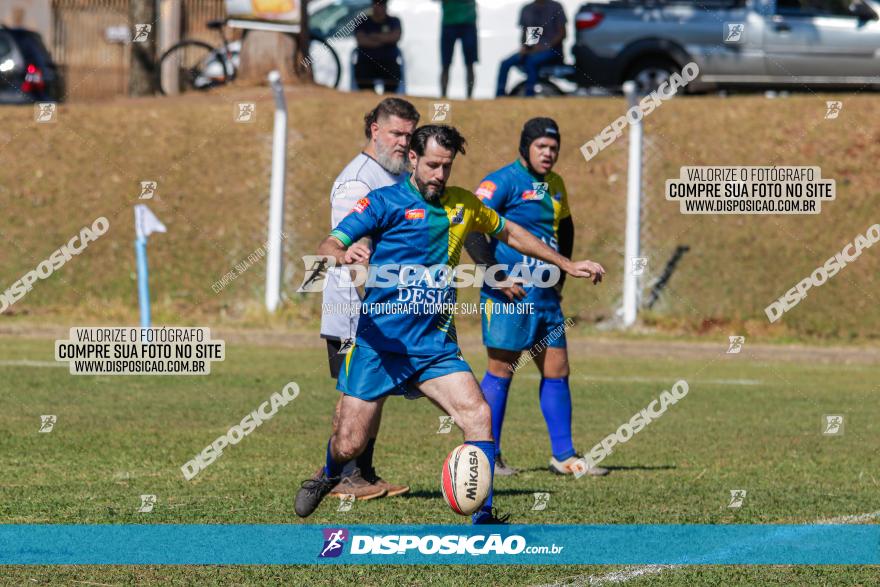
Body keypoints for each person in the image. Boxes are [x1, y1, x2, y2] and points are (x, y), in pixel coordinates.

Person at [295, 124, 605, 524]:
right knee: (349, 442)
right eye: (432, 165)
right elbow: (330, 242)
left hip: (435, 348)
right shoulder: (382, 202)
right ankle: (330, 473)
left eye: (447, 167)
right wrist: (340, 254)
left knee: (478, 414)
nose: (439, 175)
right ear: (412, 159)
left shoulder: (461, 205)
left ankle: (485, 516)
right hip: (379, 346)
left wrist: (566, 264)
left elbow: (510, 231)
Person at [465, 117, 609, 477]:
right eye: (541, 147)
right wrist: (494, 274)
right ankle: (489, 456)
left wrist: (562, 274)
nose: (548, 154)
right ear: (525, 147)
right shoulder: (501, 181)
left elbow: (566, 227)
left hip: (545, 296)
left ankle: (564, 456)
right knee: (501, 370)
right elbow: (470, 226)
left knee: (558, 369)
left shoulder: (555, 184)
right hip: (509, 295)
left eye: (554, 148)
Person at [320, 97, 420, 501]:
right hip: (352, 311)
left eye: (409, 135)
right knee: (354, 393)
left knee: (373, 392)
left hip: (384, 312)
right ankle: (341, 477)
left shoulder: (394, 175)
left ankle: (361, 473)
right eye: (395, 133)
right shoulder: (358, 181)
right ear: (374, 130)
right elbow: (350, 254)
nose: (403, 143)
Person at [495, 0, 567, 97]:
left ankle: (529, 95)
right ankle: (500, 96)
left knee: (531, 61)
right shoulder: (527, 9)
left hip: (553, 51)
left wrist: (544, 47)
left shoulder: (556, 7)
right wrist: (525, 47)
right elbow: (525, 34)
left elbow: (562, 33)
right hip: (532, 50)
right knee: (505, 63)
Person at [354, 0, 403, 93]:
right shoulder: (362, 21)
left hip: (388, 62)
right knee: (362, 74)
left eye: (382, 4)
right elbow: (361, 40)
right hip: (366, 62)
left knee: (393, 73)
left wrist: (374, 37)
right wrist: (384, 40)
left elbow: (395, 37)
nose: (379, 7)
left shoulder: (394, 21)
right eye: (377, 4)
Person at [437, 0, 479, 98]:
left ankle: (469, 98)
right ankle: (443, 96)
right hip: (449, 22)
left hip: (468, 22)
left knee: (470, 64)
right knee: (445, 64)